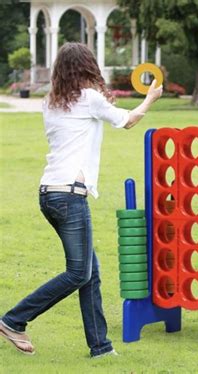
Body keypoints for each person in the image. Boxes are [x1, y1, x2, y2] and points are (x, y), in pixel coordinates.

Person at [0, 42, 162, 357]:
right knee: (78, 273)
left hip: (49, 193)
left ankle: (100, 347)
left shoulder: (51, 101)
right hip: (69, 196)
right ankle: (13, 319)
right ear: (87, 66)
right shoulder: (89, 99)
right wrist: (150, 99)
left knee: (90, 271)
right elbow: (127, 120)